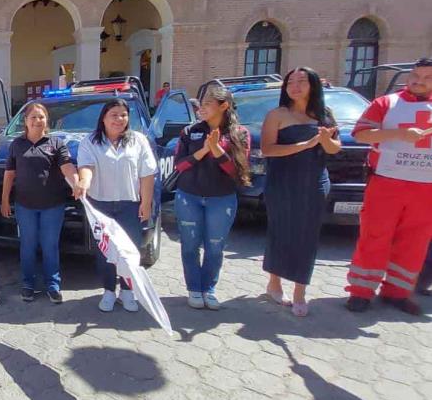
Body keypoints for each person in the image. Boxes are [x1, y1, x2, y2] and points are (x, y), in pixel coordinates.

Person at [346, 57, 432, 315]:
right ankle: (360, 291)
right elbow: (360, 133)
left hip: (426, 187)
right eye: (415, 76)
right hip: (386, 181)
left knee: (414, 242)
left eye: (427, 78)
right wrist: (398, 135)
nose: (418, 81)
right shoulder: (386, 103)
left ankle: (397, 292)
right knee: (375, 236)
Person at [261, 67, 341, 317]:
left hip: (314, 184)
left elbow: (334, 148)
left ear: (313, 85)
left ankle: (300, 291)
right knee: (280, 231)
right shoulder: (277, 115)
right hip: (282, 183)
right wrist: (305, 144)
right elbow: (268, 150)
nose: (295, 86)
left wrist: (326, 140)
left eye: (301, 81)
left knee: (307, 237)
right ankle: (274, 284)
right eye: (290, 82)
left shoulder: (324, 115)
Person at [172, 86, 251, 310]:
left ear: (223, 106)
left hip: (221, 199)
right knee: (189, 245)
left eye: (207, 103)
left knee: (215, 247)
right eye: (201, 103)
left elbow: (237, 172)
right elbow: (180, 165)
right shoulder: (190, 131)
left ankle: (209, 289)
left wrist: (217, 149)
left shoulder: (239, 134)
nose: (201, 108)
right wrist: (203, 150)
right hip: (189, 197)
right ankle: (194, 289)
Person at [74, 98, 156, 313]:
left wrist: (145, 203)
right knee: (106, 252)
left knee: (130, 251)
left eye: (123, 115)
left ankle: (127, 291)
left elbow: (147, 174)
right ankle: (109, 290)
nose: (119, 119)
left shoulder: (138, 140)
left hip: (130, 205)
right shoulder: (90, 141)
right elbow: (87, 167)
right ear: (103, 118)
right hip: (100, 206)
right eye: (114, 115)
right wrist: (83, 183)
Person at [1, 103, 77, 304]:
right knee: (27, 246)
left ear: (47, 120)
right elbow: (9, 174)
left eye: (41, 117)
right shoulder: (17, 144)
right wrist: (4, 200)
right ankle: (28, 284)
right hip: (25, 206)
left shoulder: (56, 143)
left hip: (52, 206)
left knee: (50, 246)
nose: (37, 120)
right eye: (33, 117)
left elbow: (67, 167)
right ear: (25, 121)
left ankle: (53, 285)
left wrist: (78, 183)